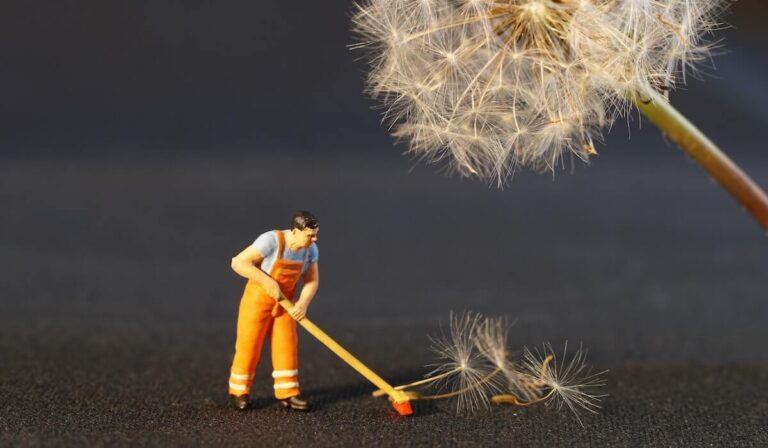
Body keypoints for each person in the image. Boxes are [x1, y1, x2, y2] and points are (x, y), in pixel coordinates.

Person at [227, 211, 320, 411]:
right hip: (256, 303)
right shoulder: (271, 241)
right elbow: (238, 262)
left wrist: (302, 303)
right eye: (310, 235)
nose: (314, 239)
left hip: (285, 306)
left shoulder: (310, 250)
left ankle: (288, 393)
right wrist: (265, 280)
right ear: (295, 232)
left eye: (315, 235)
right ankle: (239, 391)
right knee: (249, 346)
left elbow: (312, 281)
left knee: (286, 347)